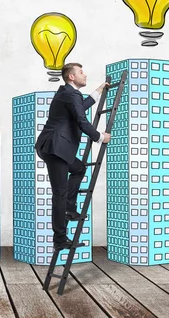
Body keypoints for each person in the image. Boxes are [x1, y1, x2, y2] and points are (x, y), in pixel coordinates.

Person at [34, 63, 112, 251]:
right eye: (80, 72)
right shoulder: (71, 94)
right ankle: (60, 239)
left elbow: (81, 107)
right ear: (71, 77)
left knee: (78, 168)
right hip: (56, 148)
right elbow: (81, 119)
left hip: (55, 147)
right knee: (59, 193)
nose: (84, 75)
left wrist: (99, 90)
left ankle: (69, 208)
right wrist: (100, 137)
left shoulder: (67, 94)